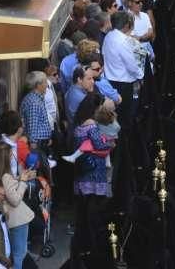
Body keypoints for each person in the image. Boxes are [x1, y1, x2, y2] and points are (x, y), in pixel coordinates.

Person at [70, 92, 114, 265]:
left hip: (82, 171)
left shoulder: (79, 126)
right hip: (94, 172)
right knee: (92, 210)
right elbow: (100, 144)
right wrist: (109, 142)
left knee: (83, 209)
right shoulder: (92, 126)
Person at [0, 142, 35, 269]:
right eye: (10, 155)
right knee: (19, 254)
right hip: (17, 220)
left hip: (9, 219)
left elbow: (8, 188)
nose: (12, 158)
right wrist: (23, 182)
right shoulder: (6, 176)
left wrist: (20, 178)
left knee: (14, 254)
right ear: (5, 158)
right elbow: (15, 199)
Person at [19, 71, 52, 153]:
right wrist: (33, 145)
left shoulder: (37, 98)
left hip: (41, 142)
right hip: (37, 144)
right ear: (38, 85)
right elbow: (32, 127)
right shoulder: (33, 102)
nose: (47, 85)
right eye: (45, 82)